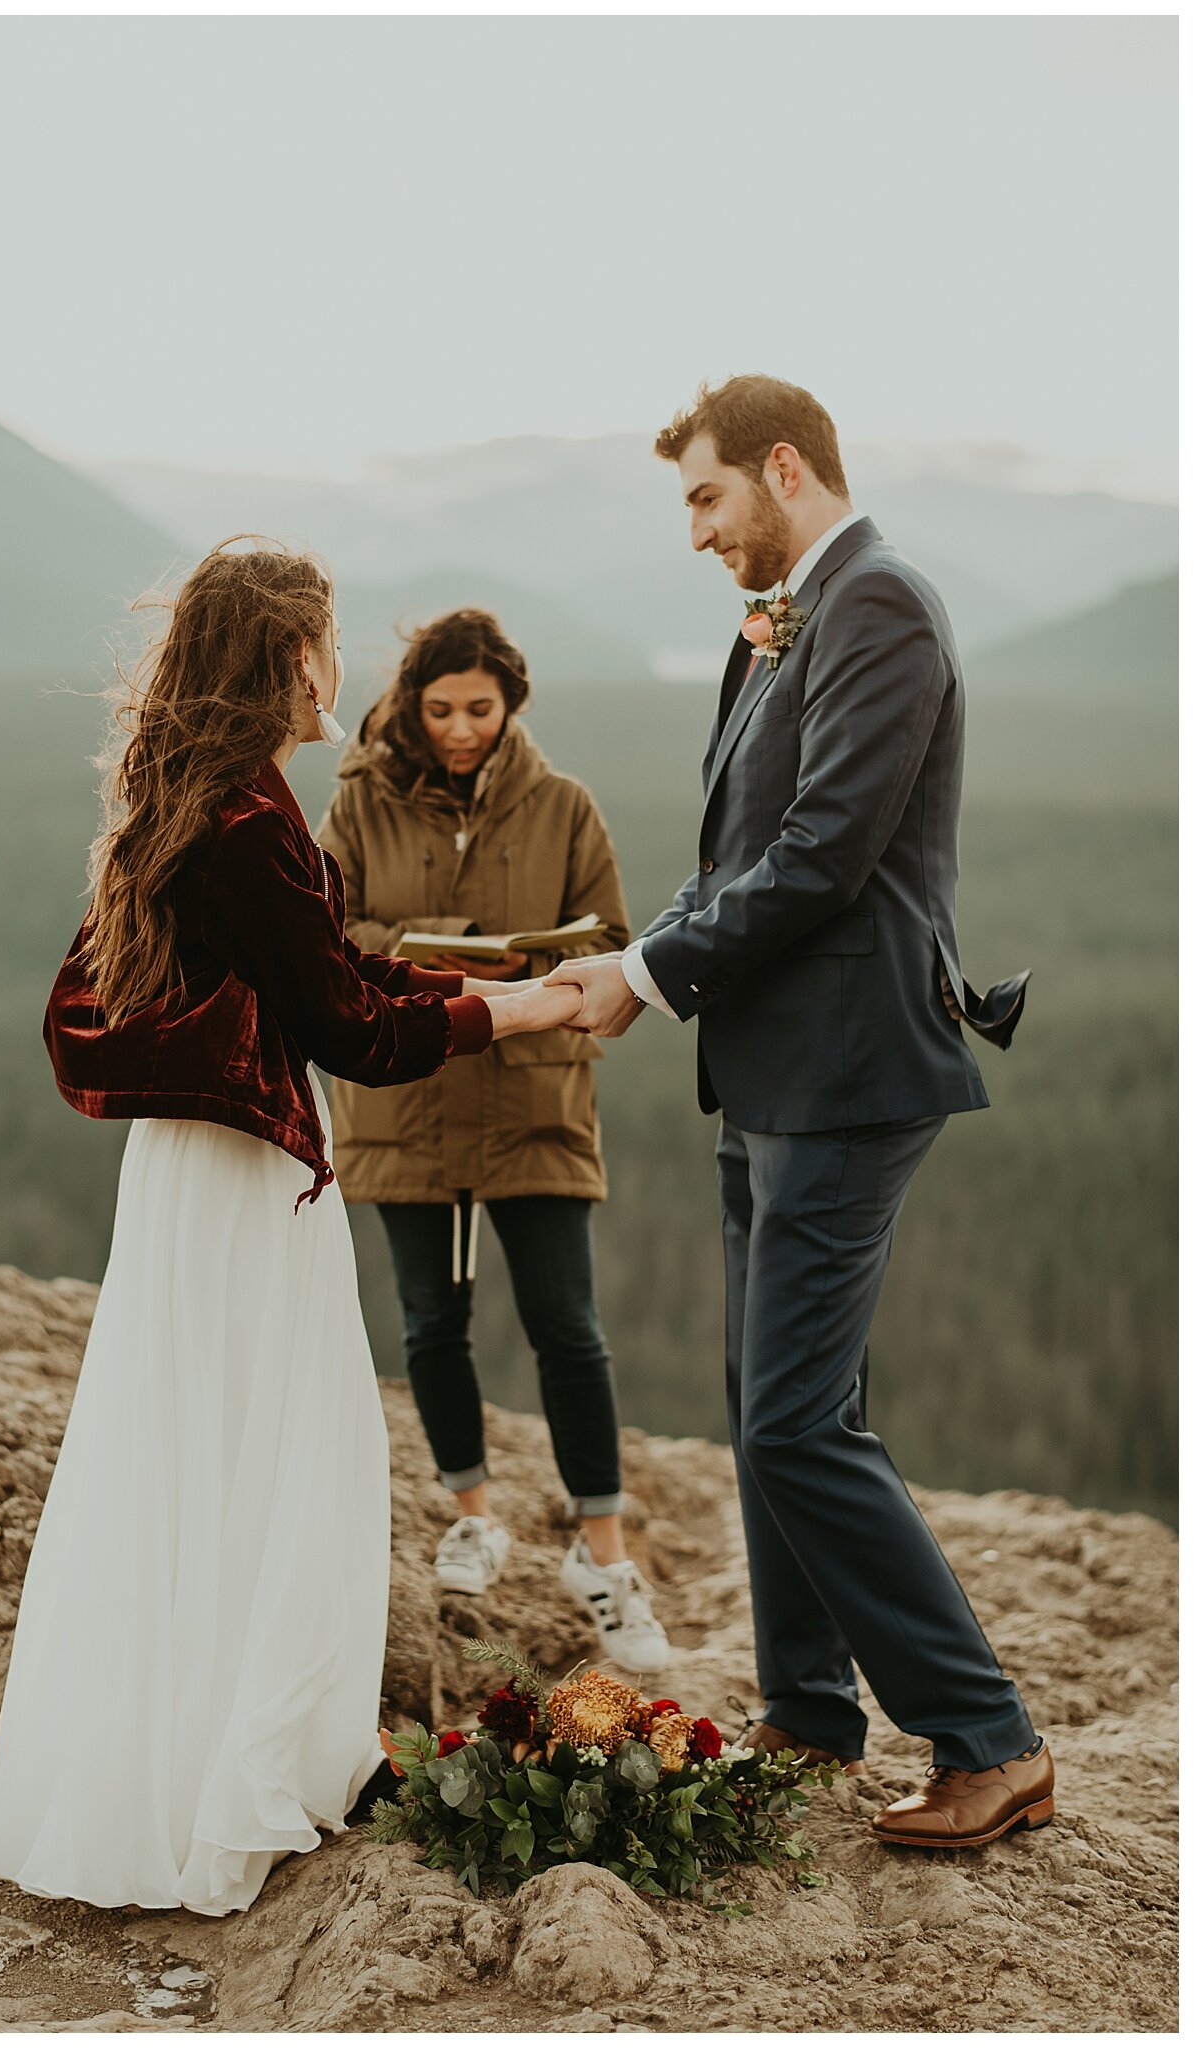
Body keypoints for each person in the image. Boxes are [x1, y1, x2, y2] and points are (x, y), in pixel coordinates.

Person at [0, 541, 580, 1916]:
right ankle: (252, 1773)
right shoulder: (247, 820)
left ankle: (193, 1755)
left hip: (202, 1168)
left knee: (199, 1443)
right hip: (247, 1175)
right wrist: (516, 1010)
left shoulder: (209, 801)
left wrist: (498, 993)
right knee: (284, 1445)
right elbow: (345, 1025)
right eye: (327, 639)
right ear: (285, 659)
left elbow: (326, 971)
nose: (341, 665)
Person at [547, 376, 1054, 1851]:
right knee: (770, 1409)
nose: (698, 534)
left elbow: (828, 853)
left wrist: (646, 975)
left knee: (792, 1423)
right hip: (764, 1075)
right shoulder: (781, 625)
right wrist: (631, 957)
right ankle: (809, 1709)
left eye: (708, 498)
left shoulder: (882, 603)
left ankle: (990, 1739)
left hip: (847, 1074)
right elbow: (741, 850)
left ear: (784, 468)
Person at [316, 607, 670, 1674]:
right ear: (411, 708)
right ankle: (473, 1510)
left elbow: (612, 939)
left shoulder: (565, 807)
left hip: (533, 1098)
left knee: (570, 1325)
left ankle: (604, 1556)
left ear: (512, 701)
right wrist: (443, 955)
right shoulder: (357, 804)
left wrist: (534, 965)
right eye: (440, 709)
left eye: (480, 706)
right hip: (406, 1097)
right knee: (432, 1320)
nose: (461, 728)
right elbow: (319, 940)